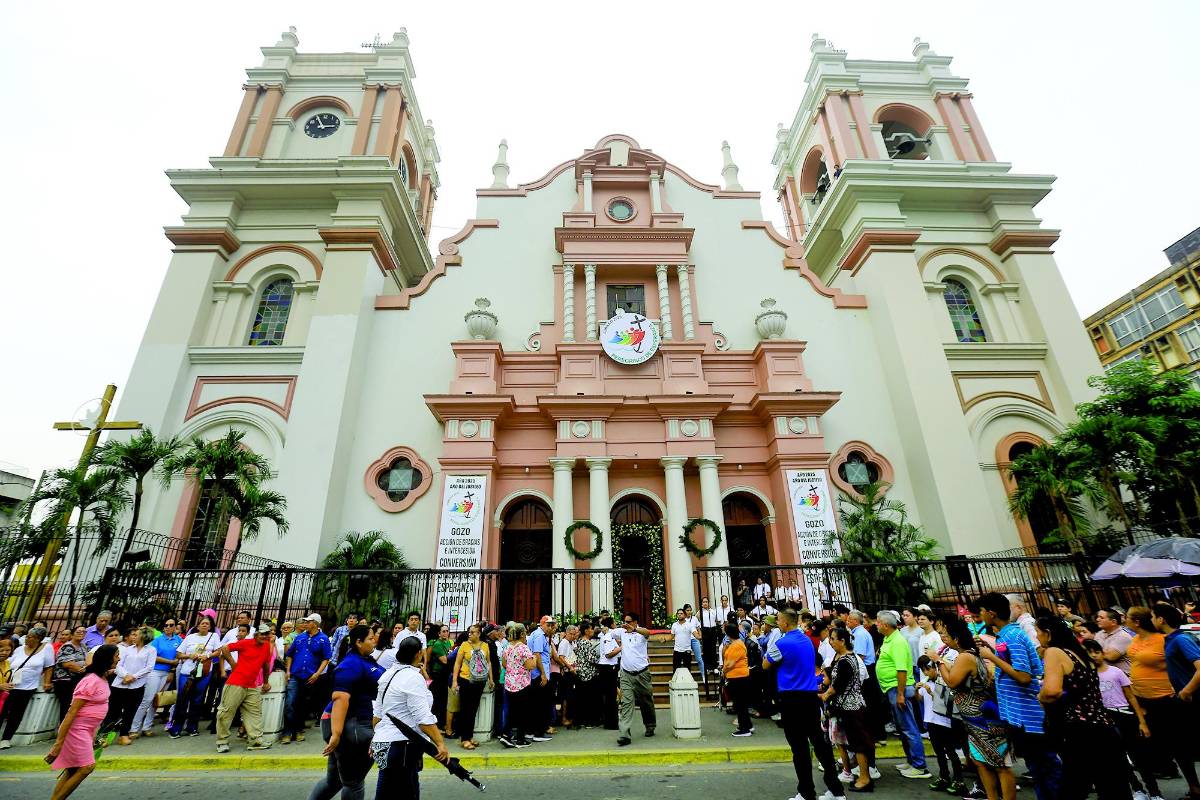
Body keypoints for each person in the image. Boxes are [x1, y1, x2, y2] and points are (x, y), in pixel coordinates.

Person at [1034, 615, 1131, 800]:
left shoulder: (1054, 652)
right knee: (1113, 785)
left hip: (1079, 729)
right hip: (1104, 725)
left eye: (1038, 632)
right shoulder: (1080, 652)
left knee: (1073, 786)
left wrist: (1040, 696)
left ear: (1048, 633)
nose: (1037, 637)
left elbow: (1052, 691)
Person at [976, 593, 1061, 800]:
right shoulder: (1005, 635)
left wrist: (992, 658)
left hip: (1028, 716)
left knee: (1046, 769)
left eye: (981, 611)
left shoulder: (1013, 636)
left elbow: (1024, 676)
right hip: (1018, 714)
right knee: (1037, 770)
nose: (980, 616)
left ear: (991, 613)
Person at [764, 609, 846, 800]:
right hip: (810, 696)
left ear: (785, 623)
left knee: (799, 747)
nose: (777, 623)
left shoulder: (782, 643)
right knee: (819, 743)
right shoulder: (806, 640)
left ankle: (807, 792)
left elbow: (765, 664)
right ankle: (836, 790)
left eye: (779, 620)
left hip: (791, 697)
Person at [932, 617, 1014, 800]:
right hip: (973, 720)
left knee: (1000, 765)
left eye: (947, 635)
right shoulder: (966, 655)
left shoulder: (965, 657)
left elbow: (952, 681)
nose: (944, 638)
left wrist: (939, 661)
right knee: (980, 761)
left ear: (957, 639)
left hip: (984, 719)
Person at [307, 625, 383, 800]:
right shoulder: (350, 664)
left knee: (335, 781)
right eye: (371, 638)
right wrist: (336, 734)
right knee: (353, 781)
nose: (374, 641)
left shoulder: (365, 659)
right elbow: (340, 698)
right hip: (350, 725)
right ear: (359, 642)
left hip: (357, 723)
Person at [372, 636, 450, 798]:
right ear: (418, 654)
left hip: (385, 743)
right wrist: (440, 743)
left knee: (386, 791)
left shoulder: (388, 675)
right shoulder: (412, 678)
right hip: (402, 745)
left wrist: (376, 738)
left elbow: (377, 715)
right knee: (408, 792)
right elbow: (423, 718)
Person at [1082, 639, 1159, 800]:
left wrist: (1142, 722)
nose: (1094, 656)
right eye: (1089, 653)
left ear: (1103, 653)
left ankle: (1154, 792)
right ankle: (1137, 789)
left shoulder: (1116, 672)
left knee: (1139, 756)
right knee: (1119, 757)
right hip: (1105, 717)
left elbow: (1131, 697)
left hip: (1124, 715)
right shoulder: (1087, 676)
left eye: (1097, 652)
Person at [44, 643, 117, 800]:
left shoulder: (102, 677)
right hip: (77, 730)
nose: (119, 658)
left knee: (73, 769)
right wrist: (58, 744)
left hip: (87, 730)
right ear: (108, 659)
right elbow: (71, 712)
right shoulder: (90, 681)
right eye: (116, 656)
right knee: (86, 767)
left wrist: (94, 735)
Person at [1148, 602, 1200, 799]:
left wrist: (1186, 691)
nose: (1151, 620)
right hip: (1179, 698)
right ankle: (1195, 789)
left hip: (1192, 699)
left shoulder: (1181, 639)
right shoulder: (1169, 639)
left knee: (1185, 744)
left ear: (1161, 619)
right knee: (1180, 746)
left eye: (1153, 616)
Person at [874, 610, 930, 778]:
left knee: (909, 728)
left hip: (899, 689)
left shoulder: (897, 641)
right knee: (902, 728)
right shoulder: (888, 639)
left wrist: (900, 694)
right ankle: (911, 760)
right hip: (892, 689)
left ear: (885, 625)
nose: (876, 625)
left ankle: (920, 766)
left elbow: (901, 670)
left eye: (878, 622)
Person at [822, 626, 874, 792]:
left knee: (858, 743)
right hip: (848, 707)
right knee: (854, 742)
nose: (831, 642)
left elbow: (837, 685)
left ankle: (865, 778)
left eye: (833, 639)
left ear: (842, 641)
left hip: (851, 707)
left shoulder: (846, 661)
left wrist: (824, 695)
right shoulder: (845, 658)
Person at [213, 622, 275, 753]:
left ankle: (256, 740)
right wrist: (232, 664)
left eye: (267, 634)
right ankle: (222, 741)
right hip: (236, 682)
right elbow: (224, 648)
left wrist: (265, 682)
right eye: (262, 634)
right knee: (226, 712)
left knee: (254, 713)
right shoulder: (245, 643)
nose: (265, 636)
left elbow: (266, 665)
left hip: (252, 684)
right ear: (256, 634)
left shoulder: (266, 646)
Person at [916, 654, 964, 793]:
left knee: (950, 751)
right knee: (939, 752)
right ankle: (944, 777)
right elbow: (920, 699)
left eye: (928, 669)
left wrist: (931, 693)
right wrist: (916, 690)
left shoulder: (943, 680)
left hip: (944, 721)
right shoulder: (924, 681)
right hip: (930, 720)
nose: (926, 673)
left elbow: (946, 702)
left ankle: (959, 780)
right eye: (923, 670)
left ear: (935, 667)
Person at [0, 625, 54, 749]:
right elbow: (8, 662)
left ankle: (6, 739)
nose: (26, 639)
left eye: (30, 637)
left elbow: (49, 666)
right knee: (2, 711)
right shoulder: (19, 649)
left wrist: (46, 682)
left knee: (16, 714)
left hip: (27, 687)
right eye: (27, 636)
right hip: (9, 685)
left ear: (38, 639)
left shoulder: (47, 648)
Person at [282, 613, 331, 744]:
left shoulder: (323, 639)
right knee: (290, 703)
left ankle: (298, 730)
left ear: (315, 624)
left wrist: (317, 674)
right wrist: (288, 671)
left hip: (310, 676)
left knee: (303, 704)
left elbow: (326, 658)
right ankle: (287, 731)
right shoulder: (299, 637)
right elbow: (290, 654)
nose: (305, 624)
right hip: (295, 674)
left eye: (308, 622)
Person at [107, 626, 156, 745]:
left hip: (137, 685)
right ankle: (106, 736)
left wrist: (133, 677)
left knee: (130, 711)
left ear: (143, 636)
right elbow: (118, 665)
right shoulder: (128, 649)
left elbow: (149, 667)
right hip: (120, 683)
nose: (133, 637)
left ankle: (123, 735)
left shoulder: (151, 650)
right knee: (113, 711)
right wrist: (125, 675)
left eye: (136, 635)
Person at [132, 617, 180, 737]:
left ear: (175, 626)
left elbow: (179, 655)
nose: (168, 627)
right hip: (155, 671)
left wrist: (172, 670)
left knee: (157, 700)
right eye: (166, 625)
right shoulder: (157, 640)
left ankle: (147, 727)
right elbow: (154, 657)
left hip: (168, 673)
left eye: (171, 625)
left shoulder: (179, 639)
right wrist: (171, 662)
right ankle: (134, 728)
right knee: (147, 699)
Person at [614, 612, 656, 746]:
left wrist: (634, 629)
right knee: (626, 703)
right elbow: (609, 632)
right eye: (625, 621)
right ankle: (624, 734)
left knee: (646, 701)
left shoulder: (641, 633)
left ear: (635, 622)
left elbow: (648, 633)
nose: (626, 624)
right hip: (626, 674)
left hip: (642, 674)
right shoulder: (621, 632)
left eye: (628, 621)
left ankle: (650, 725)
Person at [450, 623, 492, 750]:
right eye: (469, 632)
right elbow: (457, 664)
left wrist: (491, 678)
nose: (470, 634)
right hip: (466, 679)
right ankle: (464, 738)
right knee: (465, 709)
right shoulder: (464, 645)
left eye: (473, 632)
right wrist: (455, 681)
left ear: (479, 634)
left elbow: (488, 662)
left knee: (473, 710)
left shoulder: (485, 646)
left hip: (480, 681)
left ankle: (469, 736)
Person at [498, 622, 535, 748]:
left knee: (512, 711)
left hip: (509, 683)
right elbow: (530, 665)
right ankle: (520, 739)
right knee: (523, 712)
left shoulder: (508, 647)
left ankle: (506, 735)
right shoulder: (523, 648)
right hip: (522, 683)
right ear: (523, 634)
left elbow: (504, 664)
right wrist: (534, 659)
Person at [722, 620, 754, 736]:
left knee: (740, 704)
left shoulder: (736, 645)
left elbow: (730, 664)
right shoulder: (735, 644)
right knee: (740, 703)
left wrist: (724, 671)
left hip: (738, 677)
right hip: (737, 677)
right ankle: (747, 725)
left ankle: (744, 729)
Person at [526, 615, 556, 738]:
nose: (550, 627)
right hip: (539, 674)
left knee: (537, 703)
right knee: (540, 704)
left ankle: (532, 730)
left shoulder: (540, 635)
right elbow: (537, 655)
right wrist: (543, 674)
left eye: (551, 625)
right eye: (548, 625)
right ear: (542, 624)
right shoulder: (539, 636)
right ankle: (538, 732)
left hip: (538, 673)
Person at [52, 626, 87, 722]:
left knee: (72, 706)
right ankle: (63, 728)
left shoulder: (83, 646)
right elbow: (68, 664)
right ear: (72, 635)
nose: (81, 633)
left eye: (84, 632)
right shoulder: (68, 646)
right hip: (65, 680)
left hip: (76, 680)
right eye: (78, 631)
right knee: (66, 706)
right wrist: (85, 671)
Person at [572, 621, 600, 728]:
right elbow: (591, 658)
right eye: (591, 629)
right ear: (586, 631)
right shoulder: (587, 643)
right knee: (590, 698)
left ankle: (581, 720)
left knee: (581, 698)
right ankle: (589, 721)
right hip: (589, 673)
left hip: (580, 672)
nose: (592, 631)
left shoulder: (578, 641)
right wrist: (600, 659)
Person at [425, 625, 451, 731]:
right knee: (438, 699)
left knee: (444, 699)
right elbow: (445, 660)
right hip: (438, 673)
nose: (445, 633)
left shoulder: (448, 643)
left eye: (447, 631)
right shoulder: (437, 644)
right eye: (443, 631)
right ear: (439, 633)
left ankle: (441, 722)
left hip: (445, 673)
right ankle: (437, 723)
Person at [597, 616, 621, 730]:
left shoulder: (609, 635)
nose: (616, 625)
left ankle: (610, 721)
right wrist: (621, 648)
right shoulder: (608, 636)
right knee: (610, 696)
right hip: (607, 667)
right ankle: (610, 723)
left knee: (610, 695)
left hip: (610, 667)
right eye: (614, 623)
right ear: (611, 625)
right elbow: (608, 654)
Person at [1095, 608, 1133, 676]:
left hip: (1124, 677)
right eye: (1098, 617)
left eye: (1101, 618)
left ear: (1113, 622)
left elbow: (1111, 656)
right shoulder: (1099, 634)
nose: (1097, 619)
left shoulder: (1123, 636)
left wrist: (1095, 652)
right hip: (1106, 676)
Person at [700, 597, 721, 674]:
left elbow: (718, 620)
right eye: (703, 602)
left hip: (712, 630)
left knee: (713, 649)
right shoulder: (700, 612)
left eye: (706, 602)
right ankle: (707, 668)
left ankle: (714, 666)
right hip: (705, 631)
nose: (705, 603)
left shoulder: (713, 611)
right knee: (706, 650)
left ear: (708, 603)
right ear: (702, 604)